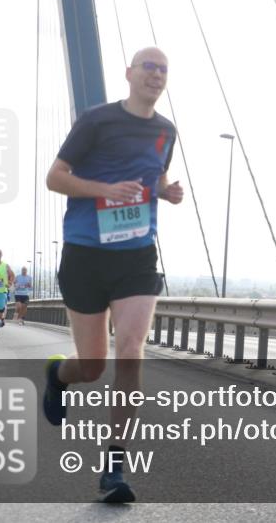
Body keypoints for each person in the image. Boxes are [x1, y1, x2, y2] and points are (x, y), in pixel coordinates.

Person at [43, 46, 182, 503]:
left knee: (131, 351)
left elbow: (155, 177)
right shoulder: (96, 121)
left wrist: (167, 191)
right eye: (148, 66)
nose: (156, 75)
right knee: (92, 366)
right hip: (85, 253)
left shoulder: (166, 131)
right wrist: (105, 189)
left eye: (163, 69)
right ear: (129, 73)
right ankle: (59, 375)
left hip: (136, 256)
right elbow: (55, 177)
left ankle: (114, 468)